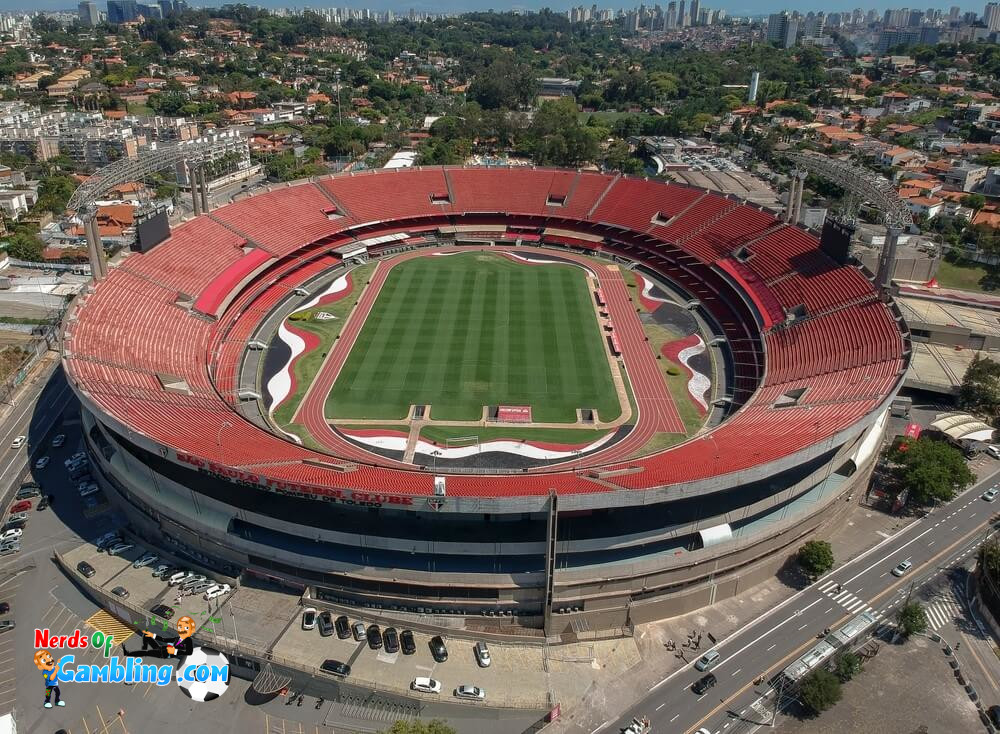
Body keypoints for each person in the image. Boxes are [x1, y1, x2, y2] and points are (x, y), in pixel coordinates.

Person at [126, 615, 195, 659]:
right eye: (180, 627)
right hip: (162, 648)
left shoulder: (188, 640)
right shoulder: (177, 638)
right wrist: (153, 635)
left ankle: (129, 653)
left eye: (186, 628)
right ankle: (143, 648)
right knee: (147, 636)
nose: (182, 630)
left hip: (164, 654)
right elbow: (164, 639)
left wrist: (175, 651)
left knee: (147, 652)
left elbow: (189, 652)